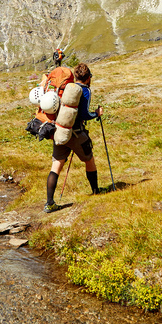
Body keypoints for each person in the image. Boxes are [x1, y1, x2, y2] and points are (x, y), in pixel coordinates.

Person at [45, 62, 102, 213]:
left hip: (60, 130)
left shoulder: (66, 88)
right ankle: (96, 191)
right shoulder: (85, 91)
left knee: (56, 166)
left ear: (75, 76)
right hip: (76, 133)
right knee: (89, 160)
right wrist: (97, 114)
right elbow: (84, 114)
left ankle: (49, 203)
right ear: (88, 77)